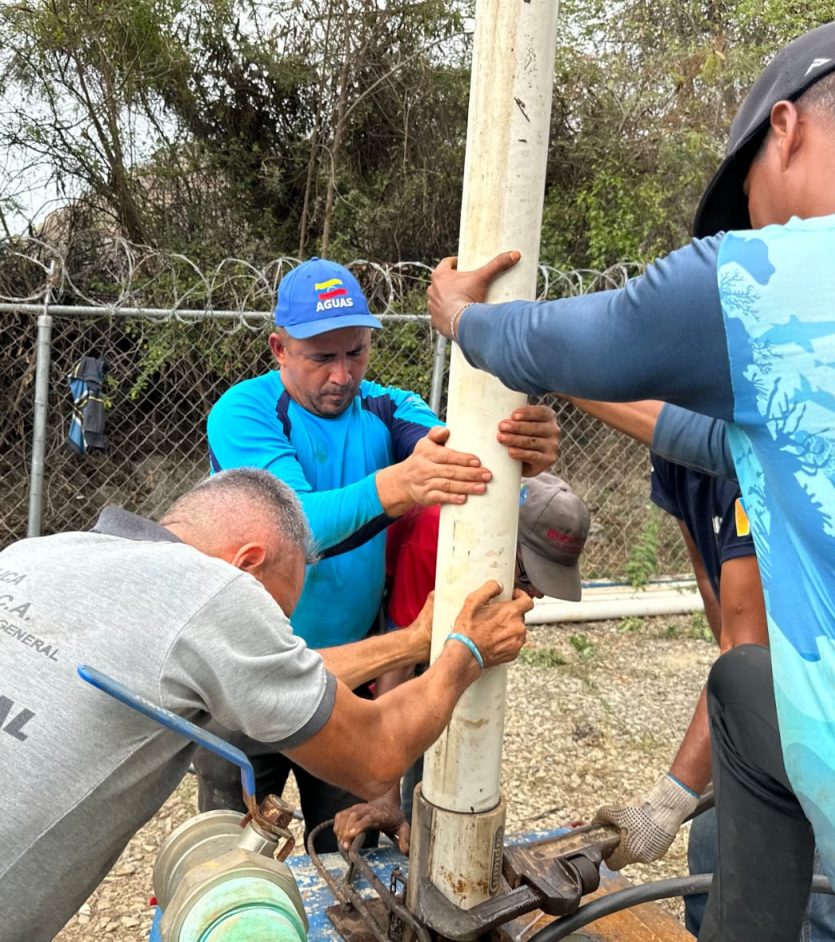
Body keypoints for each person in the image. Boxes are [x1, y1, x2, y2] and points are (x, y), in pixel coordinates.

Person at [425, 17, 835, 941]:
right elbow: (722, 439)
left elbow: (545, 339)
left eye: (748, 193)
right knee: (747, 687)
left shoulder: (770, 276)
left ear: (786, 128)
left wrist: (461, 316)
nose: (753, 218)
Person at [0, 468, 531, 942]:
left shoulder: (37, 553)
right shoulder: (216, 590)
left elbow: (273, 678)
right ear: (248, 564)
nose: (274, 630)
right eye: (277, 617)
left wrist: (412, 643)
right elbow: (374, 756)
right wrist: (468, 652)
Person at [198, 257, 561, 849]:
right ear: (279, 349)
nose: (342, 375)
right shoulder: (245, 412)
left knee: (344, 851)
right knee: (229, 857)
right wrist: (400, 485)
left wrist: (520, 453)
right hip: (245, 673)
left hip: (349, 677)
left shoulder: (389, 408)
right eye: (322, 357)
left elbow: (462, 459)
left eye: (356, 353)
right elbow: (296, 532)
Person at [566, 399, 835, 942]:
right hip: (766, 682)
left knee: (821, 898)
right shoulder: (672, 456)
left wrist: (666, 803)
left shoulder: (751, 456)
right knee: (712, 848)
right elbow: (717, 603)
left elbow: (747, 644)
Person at [334, 471, 591, 851]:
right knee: (389, 754)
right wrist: (385, 796)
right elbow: (400, 658)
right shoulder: (440, 540)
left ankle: (424, 828)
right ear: (502, 539)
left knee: (442, 728)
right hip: (372, 621)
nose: (534, 593)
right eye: (529, 575)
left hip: (425, 626)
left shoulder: (497, 553)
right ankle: (403, 824)